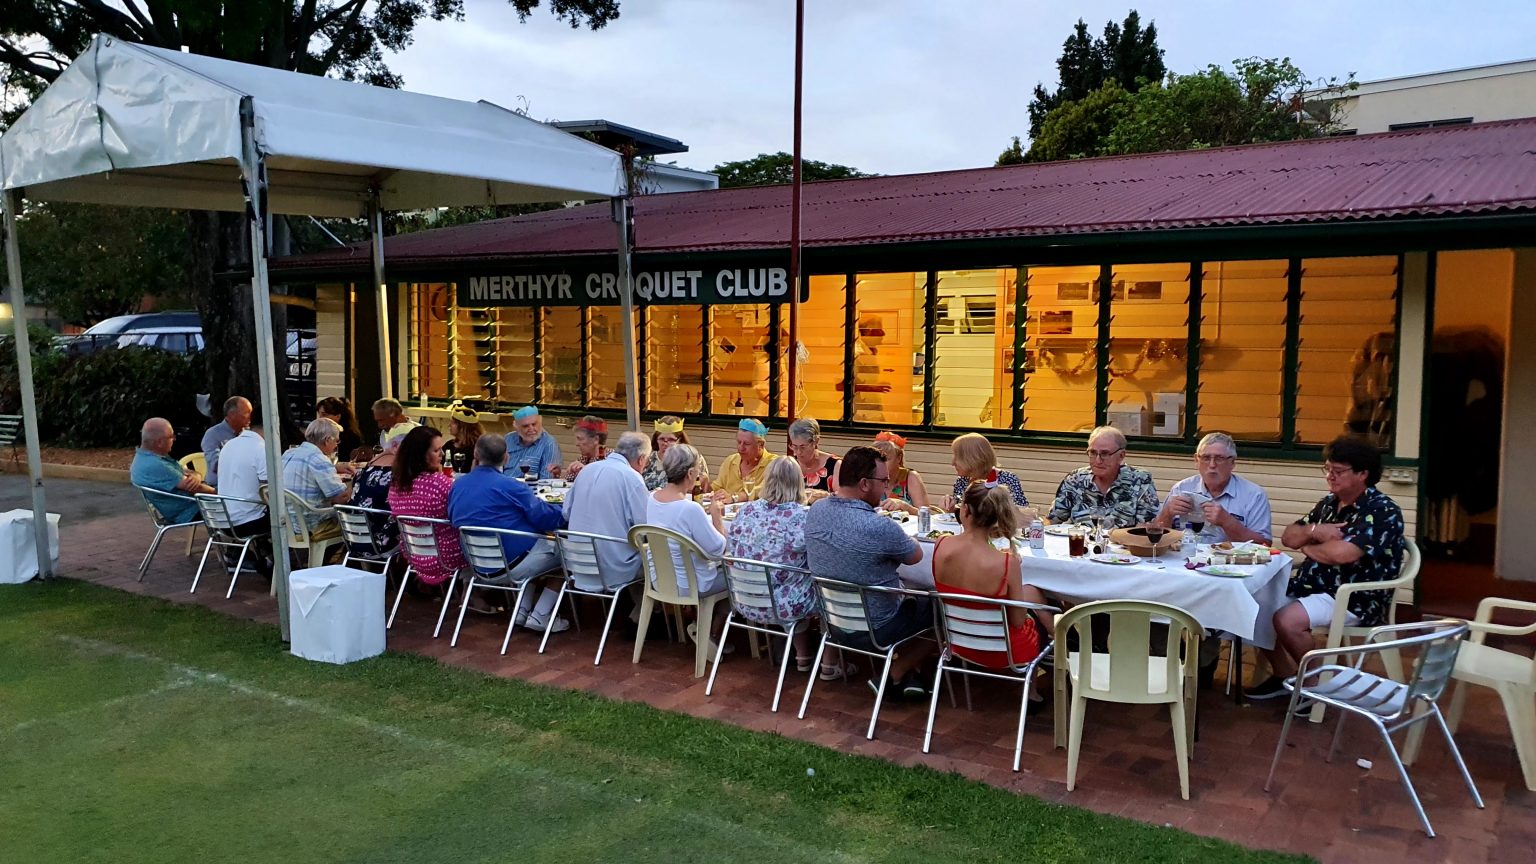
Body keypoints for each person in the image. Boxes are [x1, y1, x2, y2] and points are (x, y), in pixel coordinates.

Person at [1246, 436, 1406, 701]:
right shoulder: (1328, 505)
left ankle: (1314, 685)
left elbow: (1341, 555)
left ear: (1363, 474)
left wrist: (1307, 546)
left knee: (1287, 620)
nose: (1330, 476)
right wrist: (1314, 531)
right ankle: (1285, 674)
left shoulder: (1382, 511)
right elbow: (1289, 537)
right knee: (1250, 608)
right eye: (1328, 469)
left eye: (1338, 471)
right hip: (1311, 587)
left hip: (1353, 596)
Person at [805, 445, 932, 698]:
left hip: (832, 623)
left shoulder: (815, 512)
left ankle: (912, 677)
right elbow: (916, 555)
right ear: (864, 483)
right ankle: (895, 673)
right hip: (877, 627)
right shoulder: (879, 526)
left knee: (913, 602)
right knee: (938, 608)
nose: (887, 488)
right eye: (884, 481)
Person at [725, 457, 837, 678]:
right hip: (783, 604)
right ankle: (830, 664)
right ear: (799, 483)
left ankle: (803, 654)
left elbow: (732, 547)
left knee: (791, 579)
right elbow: (824, 551)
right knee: (828, 588)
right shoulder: (800, 517)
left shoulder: (745, 511)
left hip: (745, 600)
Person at [447, 433, 569, 633]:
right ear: (506, 458)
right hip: (513, 564)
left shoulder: (458, 485)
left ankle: (521, 611)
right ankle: (541, 615)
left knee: (531, 549)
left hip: (476, 564)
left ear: (475, 454)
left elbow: (453, 518)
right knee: (566, 554)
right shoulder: (512, 486)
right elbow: (546, 518)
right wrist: (567, 508)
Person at [932, 479, 1051, 671]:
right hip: (1005, 652)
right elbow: (1018, 621)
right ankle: (1032, 693)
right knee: (1036, 619)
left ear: (965, 510)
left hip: (959, 643)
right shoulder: (1006, 562)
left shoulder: (941, 544)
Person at [646, 444, 731, 652]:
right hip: (692, 584)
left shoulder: (652, 497)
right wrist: (716, 517)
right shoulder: (690, 508)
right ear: (691, 473)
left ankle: (704, 630)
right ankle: (712, 634)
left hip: (660, 579)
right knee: (736, 575)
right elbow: (718, 549)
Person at [564, 430, 651, 586]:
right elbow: (645, 527)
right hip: (615, 569)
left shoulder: (586, 470)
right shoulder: (632, 478)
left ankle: (637, 610)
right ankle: (646, 610)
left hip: (577, 565)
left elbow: (566, 512)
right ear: (641, 459)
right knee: (659, 560)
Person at [1151, 432, 1273, 544]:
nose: (1212, 465)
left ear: (1232, 463)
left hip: (1231, 565)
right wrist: (1167, 513)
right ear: (1196, 460)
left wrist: (1228, 522)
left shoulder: (1254, 495)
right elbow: (1155, 536)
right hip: (1183, 560)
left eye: (1219, 458)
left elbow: (1264, 544)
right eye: (1206, 458)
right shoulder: (1181, 488)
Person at [388, 426, 468, 591]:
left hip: (414, 555)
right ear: (421, 455)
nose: (442, 454)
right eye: (436, 450)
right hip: (447, 555)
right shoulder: (440, 484)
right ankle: (478, 593)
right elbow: (463, 513)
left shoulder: (397, 484)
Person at [1047, 426, 1159, 528]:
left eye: (1105, 454)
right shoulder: (1075, 479)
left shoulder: (1140, 480)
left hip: (1123, 548)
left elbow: (1145, 528)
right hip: (1082, 548)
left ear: (1121, 456)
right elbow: (1052, 521)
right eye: (1093, 453)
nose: (1098, 460)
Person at [216, 419, 276, 575]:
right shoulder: (261, 448)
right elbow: (270, 486)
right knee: (287, 517)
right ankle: (276, 563)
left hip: (223, 520)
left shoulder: (229, 445)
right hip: (247, 523)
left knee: (256, 506)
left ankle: (238, 555)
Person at [280, 417, 352, 543]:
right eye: (337, 441)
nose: (336, 445)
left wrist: (334, 467)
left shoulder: (289, 453)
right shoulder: (319, 459)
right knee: (353, 523)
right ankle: (332, 560)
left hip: (286, 522)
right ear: (327, 440)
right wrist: (357, 483)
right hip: (311, 524)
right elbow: (340, 498)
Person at [131, 418, 211, 525]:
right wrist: (218, 493)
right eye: (171, 437)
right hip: (190, 511)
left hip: (190, 506)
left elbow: (187, 472)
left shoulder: (146, 457)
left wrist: (197, 475)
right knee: (236, 503)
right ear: (159, 442)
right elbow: (196, 487)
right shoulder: (156, 465)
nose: (174, 439)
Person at [348, 429, 404, 552]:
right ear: (395, 446)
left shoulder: (365, 470)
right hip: (380, 543)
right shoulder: (397, 475)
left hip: (354, 538)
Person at [945, 433, 1027, 511]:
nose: (952, 463)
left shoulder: (1007, 480)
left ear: (973, 459)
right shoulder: (962, 480)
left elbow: (1022, 514)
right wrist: (951, 508)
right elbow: (961, 516)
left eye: (957, 457)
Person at [715, 418, 780, 504]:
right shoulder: (730, 461)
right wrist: (705, 485)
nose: (741, 448)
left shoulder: (774, 464)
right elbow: (716, 488)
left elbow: (769, 491)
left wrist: (736, 497)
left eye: (746, 444)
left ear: (761, 445)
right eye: (739, 442)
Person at [871, 431, 931, 514]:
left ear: (899, 458)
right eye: (877, 459)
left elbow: (926, 514)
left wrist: (904, 506)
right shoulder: (868, 478)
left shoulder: (910, 477)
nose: (880, 463)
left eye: (886, 459)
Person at [200, 395, 251, 488]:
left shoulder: (249, 434)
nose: (251, 417)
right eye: (247, 413)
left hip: (244, 485)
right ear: (232, 415)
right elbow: (216, 465)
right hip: (219, 488)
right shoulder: (213, 434)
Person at [787, 417, 839, 500]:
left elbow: (843, 498)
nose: (798, 452)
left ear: (816, 441)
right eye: (794, 446)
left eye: (803, 447)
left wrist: (827, 496)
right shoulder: (789, 465)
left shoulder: (835, 465)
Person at [505, 405, 562, 480]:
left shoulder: (549, 444)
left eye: (534, 424)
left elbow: (546, 480)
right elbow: (495, 468)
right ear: (517, 427)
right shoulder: (508, 439)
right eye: (526, 426)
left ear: (540, 423)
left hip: (527, 489)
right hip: (501, 486)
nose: (531, 429)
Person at [643, 416, 690, 491]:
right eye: (662, 439)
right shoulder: (646, 461)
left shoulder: (691, 459)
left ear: (680, 441)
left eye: (671, 440)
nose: (665, 444)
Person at [441, 401, 483, 475]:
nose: (449, 425)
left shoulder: (477, 449)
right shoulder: (449, 446)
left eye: (453, 423)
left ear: (463, 427)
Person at [316, 396, 365, 461]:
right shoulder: (320, 433)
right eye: (319, 414)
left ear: (338, 416)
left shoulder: (350, 437)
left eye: (324, 415)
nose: (320, 418)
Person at [561, 415, 609, 480]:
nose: (576, 444)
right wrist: (559, 473)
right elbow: (569, 480)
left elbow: (606, 481)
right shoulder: (584, 459)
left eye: (580, 439)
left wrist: (586, 470)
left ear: (596, 439)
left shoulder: (610, 459)